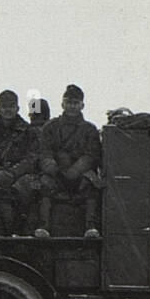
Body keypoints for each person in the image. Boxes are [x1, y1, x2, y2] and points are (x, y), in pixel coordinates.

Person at [36, 84, 102, 237]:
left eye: (76, 103)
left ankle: (90, 226)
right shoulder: (50, 127)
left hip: (80, 174)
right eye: (69, 102)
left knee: (91, 183)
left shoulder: (89, 129)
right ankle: (43, 226)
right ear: (62, 104)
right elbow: (44, 152)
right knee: (44, 183)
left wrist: (75, 170)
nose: (72, 106)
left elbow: (91, 154)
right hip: (56, 173)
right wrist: (53, 168)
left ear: (82, 105)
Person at [0, 90, 41, 235]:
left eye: (11, 106)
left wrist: (15, 172)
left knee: (25, 187)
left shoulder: (28, 131)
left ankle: (18, 231)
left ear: (17, 108)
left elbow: (32, 156)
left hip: (20, 174)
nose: (8, 110)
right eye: (4, 106)